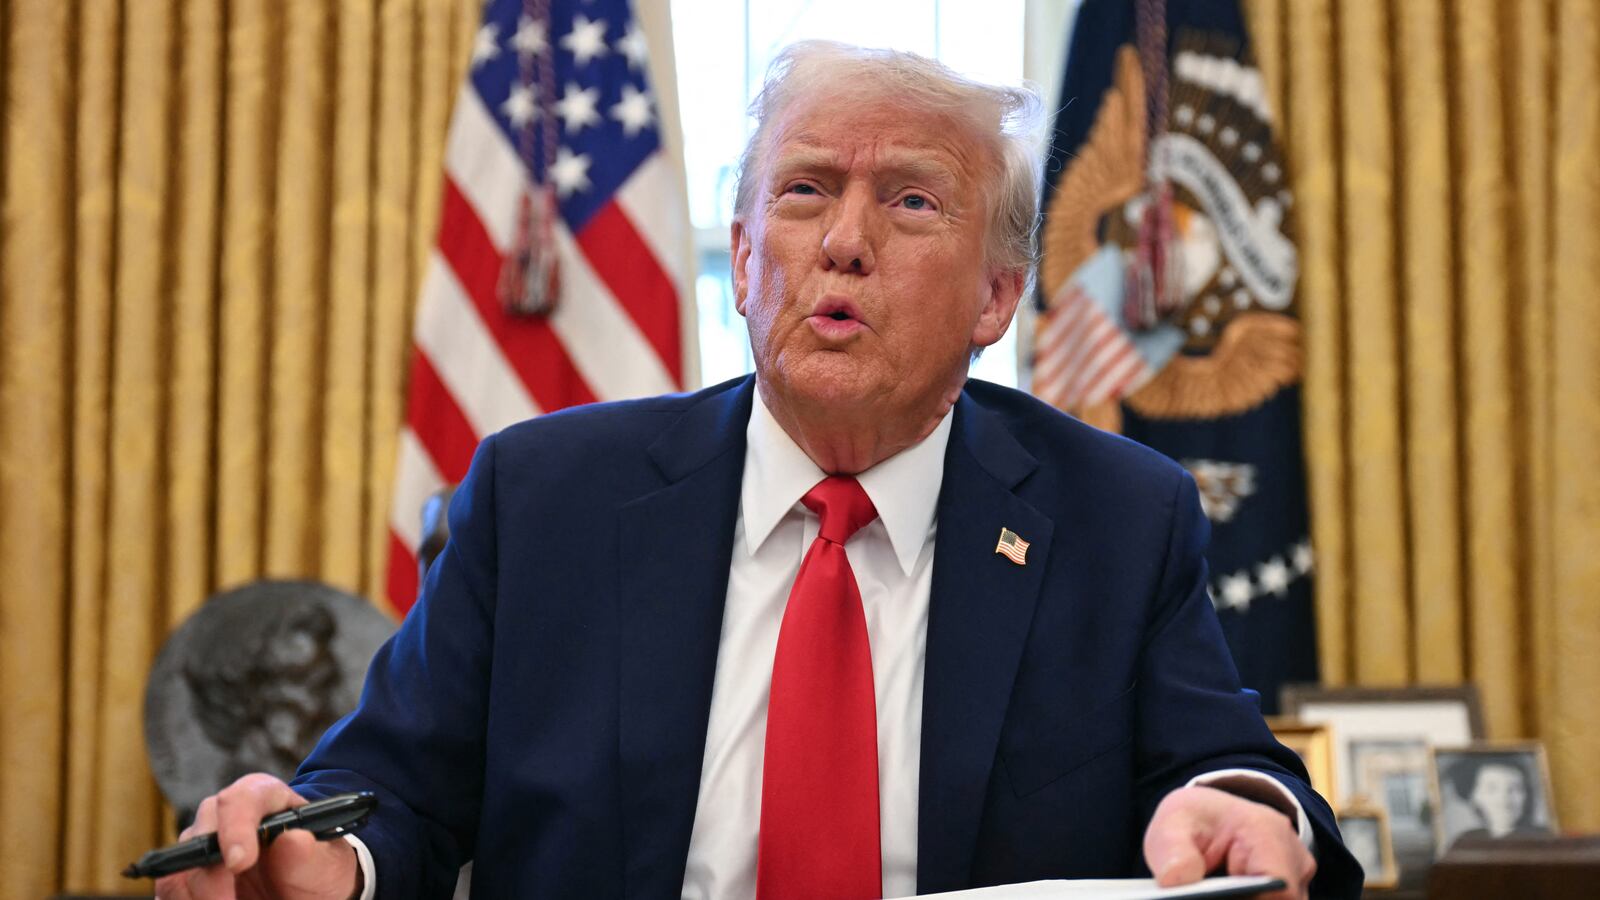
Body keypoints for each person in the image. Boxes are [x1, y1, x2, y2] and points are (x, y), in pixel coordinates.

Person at [157, 41, 1361, 900]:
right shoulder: (544, 499)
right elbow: (391, 796)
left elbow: (1228, 767)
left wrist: (1241, 812)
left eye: (909, 201)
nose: (842, 240)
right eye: (802, 192)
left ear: (998, 295)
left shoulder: (1116, 514)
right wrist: (328, 865)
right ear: (741, 262)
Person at [1445, 755, 1547, 844]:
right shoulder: (1466, 841)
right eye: (1492, 789)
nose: (1504, 798)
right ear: (1473, 796)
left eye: (1515, 788)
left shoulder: (1543, 839)